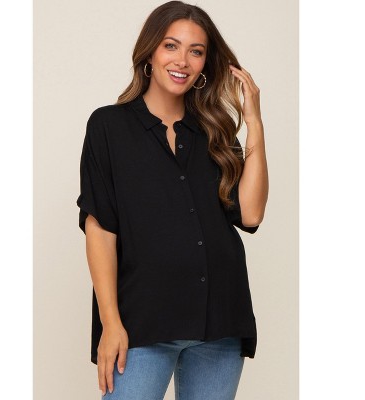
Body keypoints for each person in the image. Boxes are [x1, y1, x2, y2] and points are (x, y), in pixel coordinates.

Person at [76, 1, 268, 399]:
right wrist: (111, 323)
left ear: (204, 64)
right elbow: (100, 228)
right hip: (143, 323)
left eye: (196, 51)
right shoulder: (108, 127)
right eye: (171, 46)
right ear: (150, 52)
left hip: (219, 321)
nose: (182, 60)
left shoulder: (214, 131)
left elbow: (250, 214)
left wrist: (254, 122)